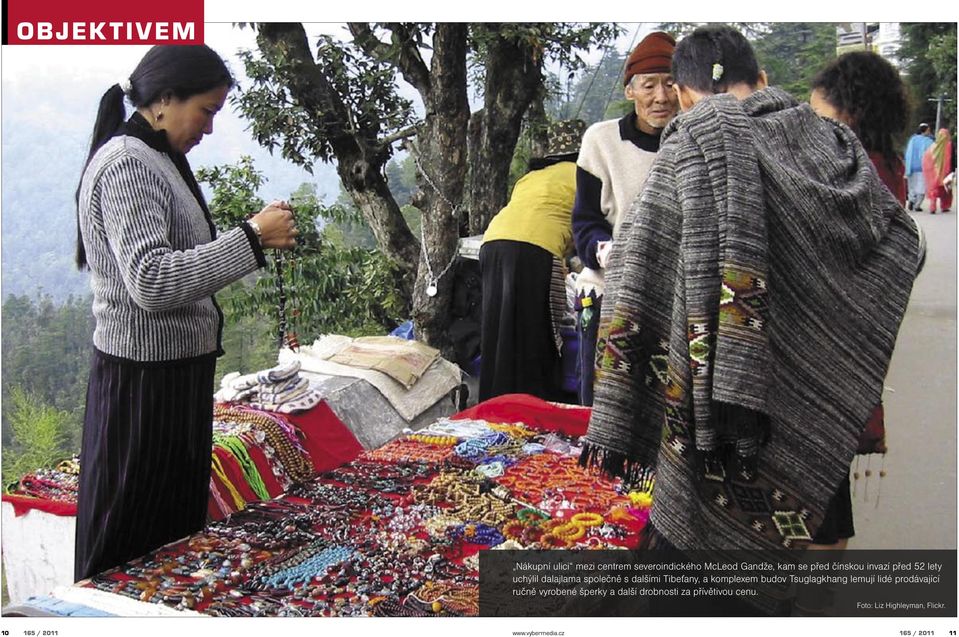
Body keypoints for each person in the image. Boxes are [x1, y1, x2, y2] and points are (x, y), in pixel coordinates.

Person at [581, 25, 922, 610]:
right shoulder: (830, 145)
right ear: (762, 79)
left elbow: (638, 273)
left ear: (686, 94)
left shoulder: (688, 147)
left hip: (717, 405)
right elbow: (901, 242)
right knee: (810, 543)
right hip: (816, 388)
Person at [74, 45, 298, 581]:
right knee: (129, 538)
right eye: (207, 111)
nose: (210, 128)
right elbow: (151, 280)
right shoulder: (129, 163)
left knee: (168, 534)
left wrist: (250, 236)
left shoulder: (155, 158)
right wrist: (250, 238)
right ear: (165, 99)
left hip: (171, 376)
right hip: (144, 385)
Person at [571, 31, 678, 406]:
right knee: (605, 403)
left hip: (675, 299)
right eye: (649, 85)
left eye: (670, 84)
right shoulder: (602, 141)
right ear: (631, 91)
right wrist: (607, 252)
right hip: (609, 292)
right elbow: (585, 220)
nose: (661, 97)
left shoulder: (693, 140)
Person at [479, 119, 585, 402]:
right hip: (535, 249)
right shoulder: (585, 173)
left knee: (500, 330)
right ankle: (536, 402)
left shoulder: (531, 177)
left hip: (492, 244)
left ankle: (496, 400)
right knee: (539, 332)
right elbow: (588, 230)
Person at [810, 50, 909, 205]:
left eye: (816, 113)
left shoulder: (852, 174)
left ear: (852, 112)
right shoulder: (889, 164)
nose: (812, 123)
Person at [922, 128, 954, 214]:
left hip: (934, 173)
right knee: (946, 190)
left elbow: (925, 160)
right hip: (945, 173)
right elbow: (951, 160)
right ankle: (945, 206)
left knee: (934, 190)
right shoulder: (948, 146)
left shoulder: (932, 147)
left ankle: (933, 207)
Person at [904, 123, 934, 210]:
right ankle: (917, 205)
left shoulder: (912, 139)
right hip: (923, 168)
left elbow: (908, 153)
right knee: (922, 186)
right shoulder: (929, 141)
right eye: (928, 129)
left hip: (911, 167)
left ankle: (911, 200)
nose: (929, 131)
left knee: (912, 186)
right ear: (925, 130)